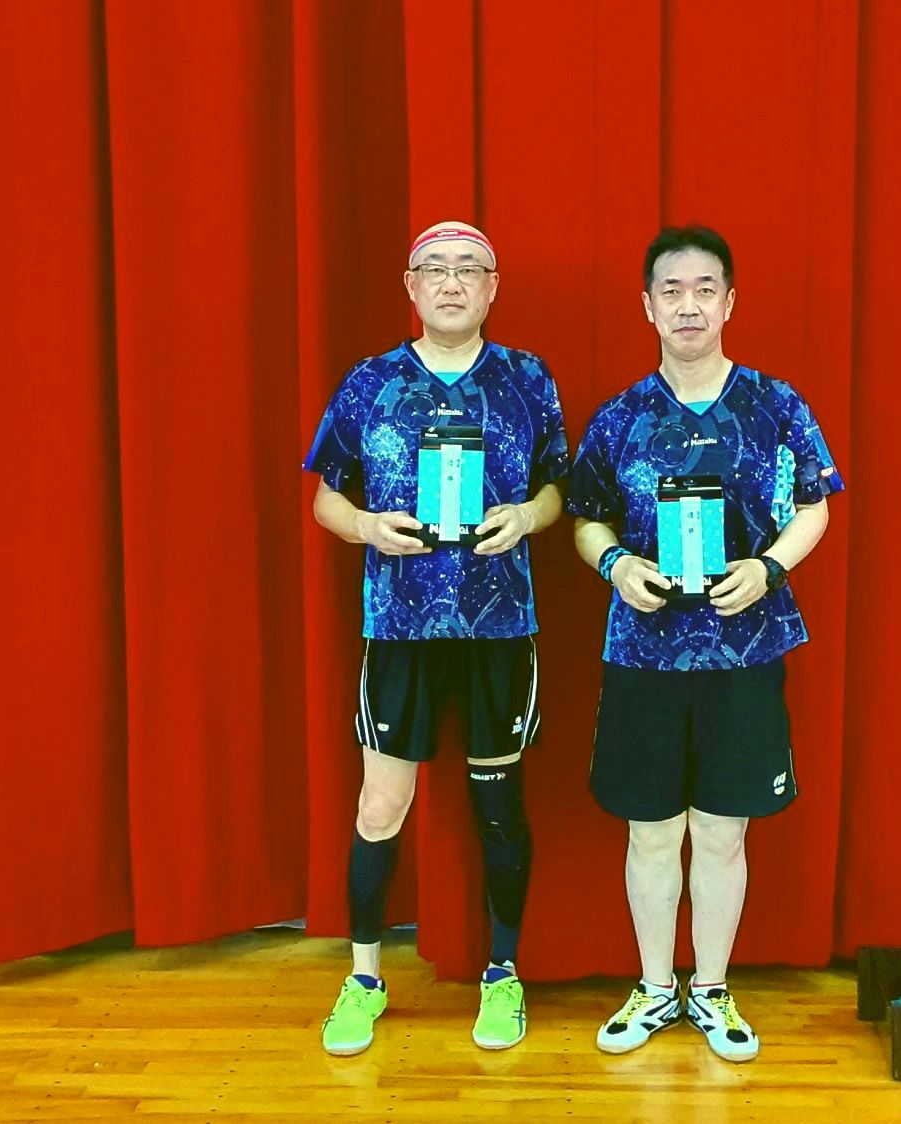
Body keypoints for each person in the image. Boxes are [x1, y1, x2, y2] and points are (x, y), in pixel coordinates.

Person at [567, 225, 843, 1063]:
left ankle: (712, 988)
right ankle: (655, 988)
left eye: (704, 289)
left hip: (745, 651)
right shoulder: (618, 418)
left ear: (729, 302)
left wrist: (767, 568)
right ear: (646, 307)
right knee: (651, 833)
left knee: (723, 833)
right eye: (671, 291)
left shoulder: (776, 405)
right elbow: (585, 520)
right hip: (643, 655)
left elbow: (814, 507)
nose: (688, 306)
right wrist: (615, 565)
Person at [304, 221, 569, 1055]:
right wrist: (365, 527)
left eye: (468, 269)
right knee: (380, 805)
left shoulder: (527, 378)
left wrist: (527, 517)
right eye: (435, 269)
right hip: (399, 625)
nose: (451, 282)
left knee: (497, 805)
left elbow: (558, 487)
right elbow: (324, 496)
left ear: (492, 287)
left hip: (499, 625)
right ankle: (363, 980)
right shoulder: (370, 382)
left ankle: (502, 975)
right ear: (410, 286)